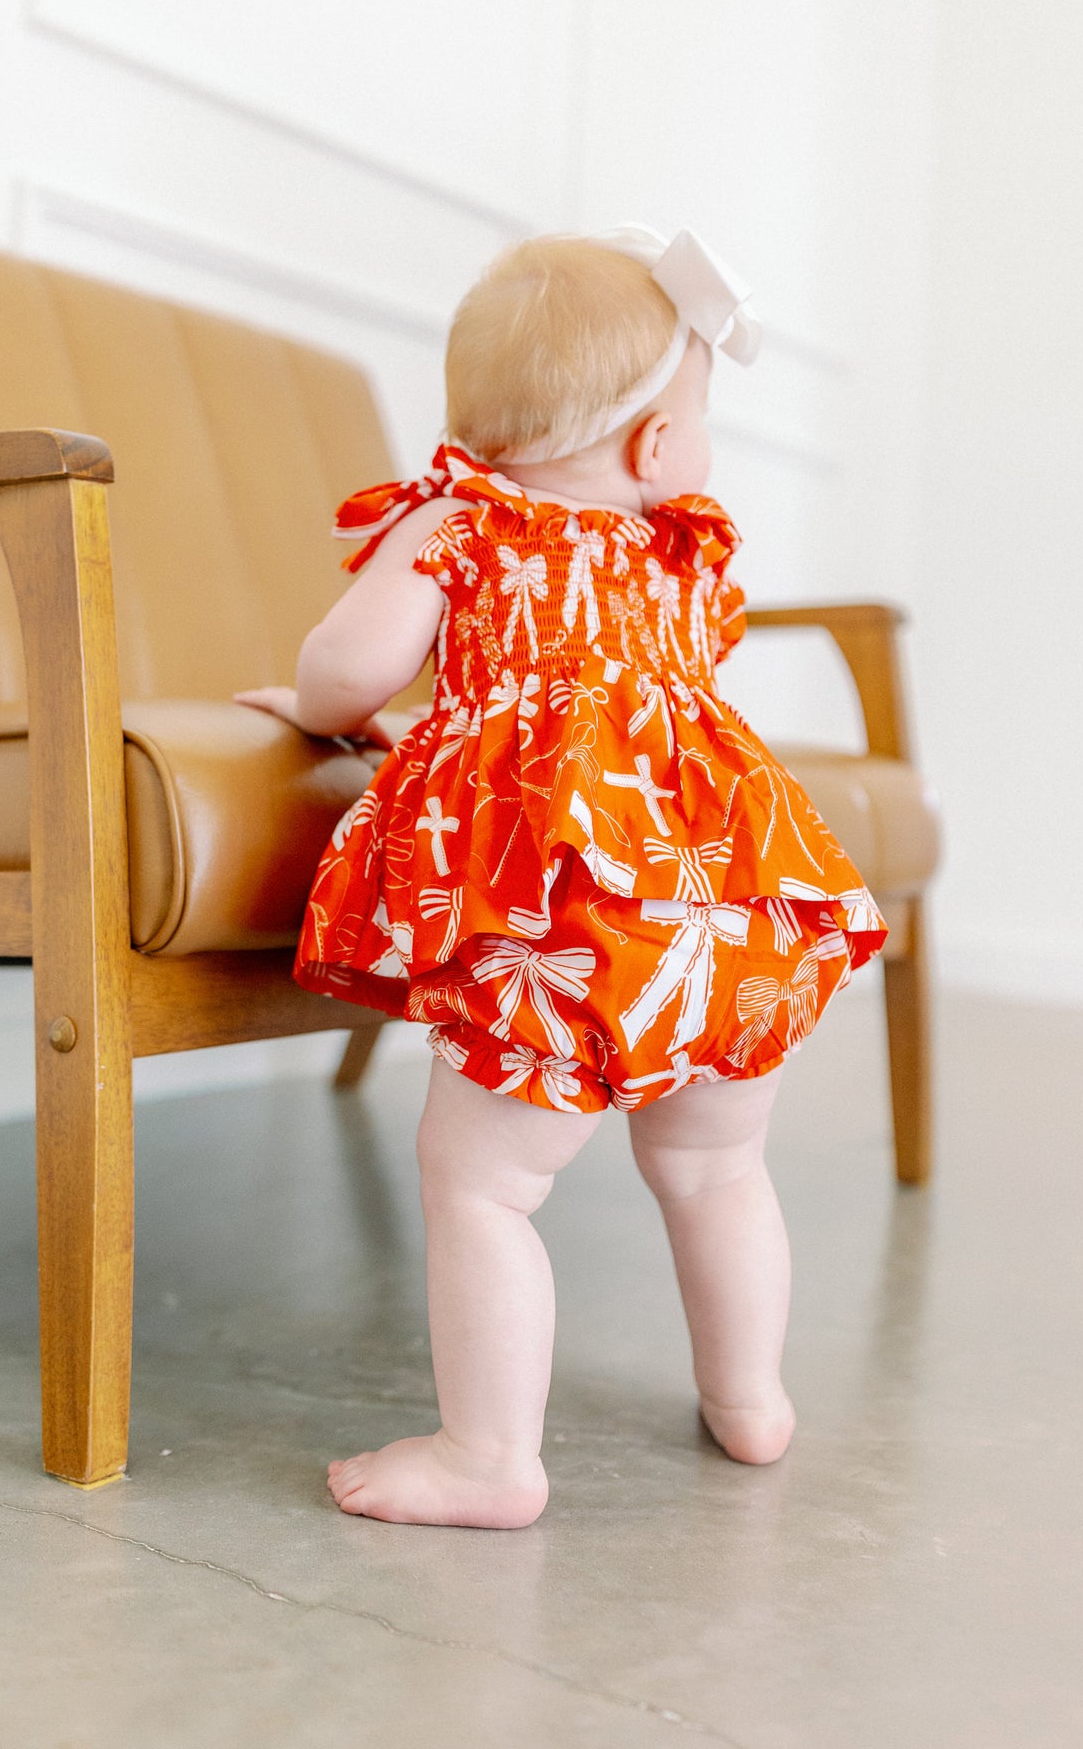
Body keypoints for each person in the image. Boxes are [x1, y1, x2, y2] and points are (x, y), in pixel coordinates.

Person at [236, 226, 886, 1528]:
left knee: (483, 1182)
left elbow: (351, 673)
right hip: (718, 901)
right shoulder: (674, 550)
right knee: (716, 1171)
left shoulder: (458, 523)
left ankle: (489, 1460)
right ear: (654, 448)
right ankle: (749, 1398)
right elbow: (635, 713)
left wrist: (325, 710)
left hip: (561, 917)